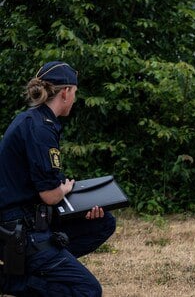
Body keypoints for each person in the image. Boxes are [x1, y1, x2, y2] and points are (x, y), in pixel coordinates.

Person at [0, 61, 116, 296]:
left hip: (30, 219)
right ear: (65, 92)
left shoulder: (32, 120)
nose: (74, 98)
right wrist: (64, 188)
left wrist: (72, 197)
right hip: (21, 229)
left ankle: (46, 267)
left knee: (103, 222)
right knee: (88, 291)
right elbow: (51, 195)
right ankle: (11, 281)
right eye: (74, 92)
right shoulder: (41, 129)